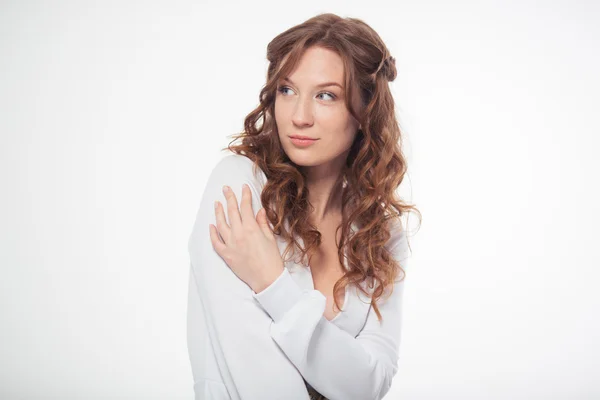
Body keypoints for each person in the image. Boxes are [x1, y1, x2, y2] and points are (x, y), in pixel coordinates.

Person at [187, 12, 421, 400]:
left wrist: (272, 285)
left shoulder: (381, 232)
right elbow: (253, 373)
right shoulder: (240, 186)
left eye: (325, 95)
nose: (299, 116)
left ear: (365, 112)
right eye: (287, 90)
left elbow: (368, 384)